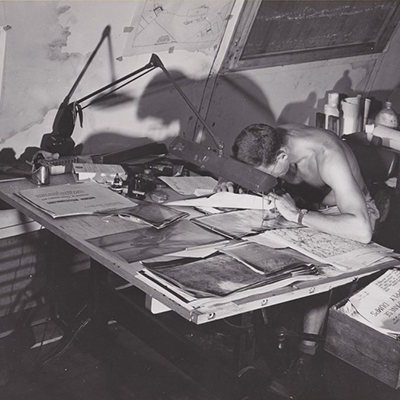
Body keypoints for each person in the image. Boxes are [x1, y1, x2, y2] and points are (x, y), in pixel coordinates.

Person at [217, 123, 379, 399]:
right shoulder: (269, 137)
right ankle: (261, 342)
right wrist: (234, 182)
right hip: (301, 208)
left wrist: (298, 216)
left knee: (317, 270)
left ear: (282, 157)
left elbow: (362, 229)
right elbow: (256, 170)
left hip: (343, 217)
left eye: (263, 173)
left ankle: (305, 359)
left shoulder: (327, 155)